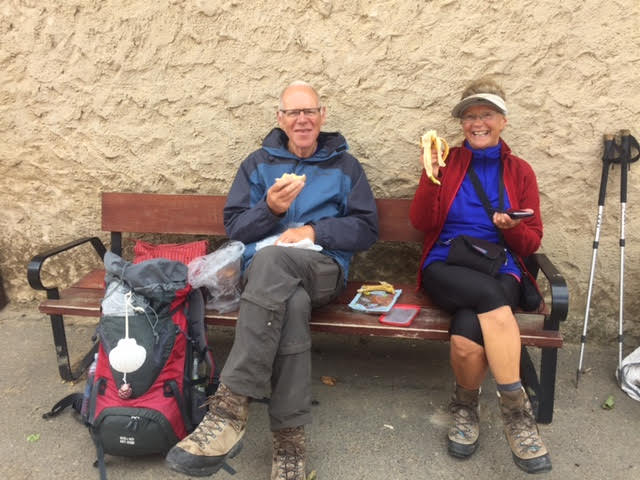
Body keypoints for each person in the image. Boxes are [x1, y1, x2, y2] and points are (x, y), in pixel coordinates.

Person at [166, 81, 379, 479]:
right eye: (293, 112)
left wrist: (314, 231)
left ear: (322, 116)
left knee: (273, 262)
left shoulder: (345, 167)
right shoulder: (257, 164)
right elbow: (235, 227)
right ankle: (289, 442)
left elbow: (367, 229)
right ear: (280, 118)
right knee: (290, 302)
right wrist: (270, 209)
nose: (302, 120)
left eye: (309, 111)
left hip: (322, 269)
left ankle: (230, 407)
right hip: (266, 279)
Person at [409, 77, 552, 474]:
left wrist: (511, 228)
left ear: (503, 120)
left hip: (499, 266)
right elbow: (421, 222)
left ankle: (465, 406)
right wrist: (429, 177)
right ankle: (517, 414)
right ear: (462, 124)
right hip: (445, 264)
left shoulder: (520, 172)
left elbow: (531, 241)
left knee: (466, 337)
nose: (477, 123)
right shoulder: (446, 162)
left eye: (486, 114)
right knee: (490, 298)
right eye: (469, 116)